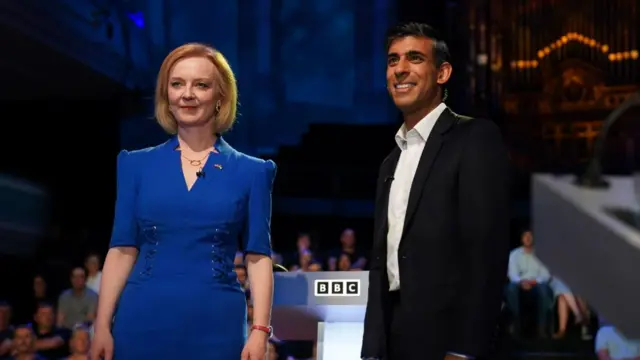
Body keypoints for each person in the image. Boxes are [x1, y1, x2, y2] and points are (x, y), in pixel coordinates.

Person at [90, 43, 277, 360]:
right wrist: (102, 326)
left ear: (220, 96)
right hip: (141, 320)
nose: (187, 94)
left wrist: (260, 331)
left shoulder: (253, 171)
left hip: (217, 324)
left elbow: (258, 257)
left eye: (200, 85)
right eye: (177, 84)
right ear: (166, 94)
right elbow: (122, 249)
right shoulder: (134, 165)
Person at [361, 22, 510, 360]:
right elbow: (380, 265)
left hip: (447, 342)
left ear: (442, 73)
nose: (400, 69)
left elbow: (486, 256)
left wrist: (464, 350)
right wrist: (371, 350)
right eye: (392, 60)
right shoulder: (390, 161)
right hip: (393, 340)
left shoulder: (475, 138)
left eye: (414, 58)